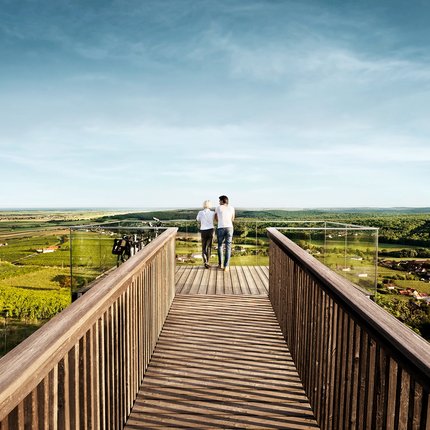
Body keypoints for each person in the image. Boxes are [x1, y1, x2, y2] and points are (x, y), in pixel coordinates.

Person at [214, 195, 235, 271]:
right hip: (229, 228)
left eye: (219, 200)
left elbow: (216, 218)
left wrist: (220, 221)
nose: (219, 202)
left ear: (223, 201)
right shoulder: (232, 208)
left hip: (221, 228)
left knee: (220, 246)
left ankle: (221, 264)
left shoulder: (218, 208)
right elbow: (233, 218)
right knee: (228, 247)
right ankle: (226, 266)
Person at [196, 200, 215, 269]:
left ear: (203, 205)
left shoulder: (200, 212)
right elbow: (215, 220)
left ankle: (205, 262)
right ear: (210, 205)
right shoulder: (213, 213)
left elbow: (197, 219)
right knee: (209, 247)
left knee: (203, 247)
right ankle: (208, 262)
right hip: (211, 230)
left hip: (203, 230)